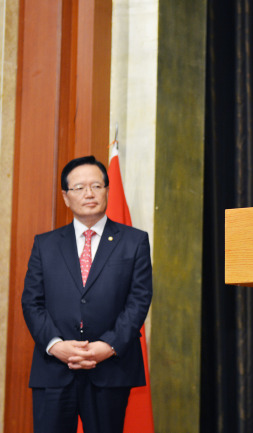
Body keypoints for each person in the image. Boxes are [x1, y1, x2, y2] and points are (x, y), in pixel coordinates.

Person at [22, 156, 153, 433]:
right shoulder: (44, 245)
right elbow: (32, 302)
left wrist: (107, 346)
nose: (89, 193)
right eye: (79, 187)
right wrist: (56, 345)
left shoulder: (134, 241)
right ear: (66, 197)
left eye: (96, 185)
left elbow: (139, 300)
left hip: (110, 367)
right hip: (54, 368)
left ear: (107, 190)